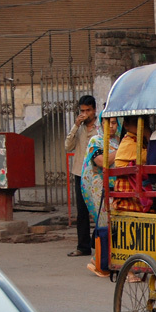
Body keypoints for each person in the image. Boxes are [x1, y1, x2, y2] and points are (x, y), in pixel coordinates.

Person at [81, 112, 121, 277]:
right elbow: (100, 161)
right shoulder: (95, 141)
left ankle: (100, 260)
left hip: (113, 186)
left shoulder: (117, 141)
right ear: (101, 123)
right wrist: (121, 152)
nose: (111, 126)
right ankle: (101, 263)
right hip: (96, 187)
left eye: (114, 123)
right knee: (104, 221)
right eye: (108, 122)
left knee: (113, 222)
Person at [65, 95, 97, 257]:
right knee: (82, 211)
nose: (85, 114)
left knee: (100, 210)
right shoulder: (79, 129)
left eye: (88, 110)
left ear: (94, 110)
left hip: (96, 174)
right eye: (82, 111)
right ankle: (83, 246)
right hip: (79, 173)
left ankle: (98, 241)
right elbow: (67, 146)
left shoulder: (101, 127)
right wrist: (75, 126)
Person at [112, 116, 152, 212]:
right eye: (136, 122)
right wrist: (148, 134)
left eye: (144, 121)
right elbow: (151, 157)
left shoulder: (137, 140)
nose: (141, 125)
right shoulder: (129, 143)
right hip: (130, 193)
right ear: (126, 125)